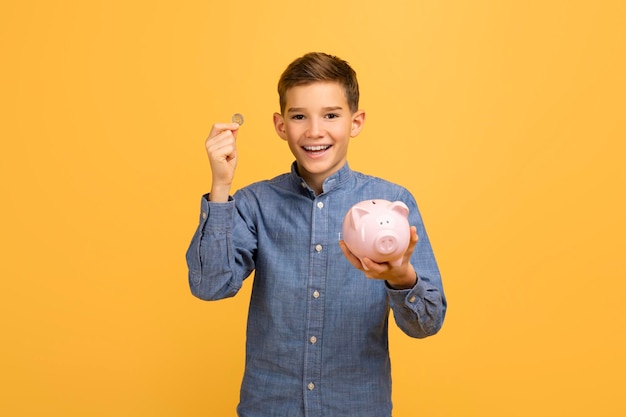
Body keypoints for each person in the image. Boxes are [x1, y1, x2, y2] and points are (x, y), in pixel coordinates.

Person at [186, 52, 446, 417]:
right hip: (269, 408)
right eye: (298, 116)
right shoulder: (254, 203)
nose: (314, 131)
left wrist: (400, 277)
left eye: (331, 115)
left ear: (356, 122)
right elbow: (210, 285)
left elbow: (427, 323)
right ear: (280, 125)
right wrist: (220, 186)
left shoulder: (394, 204)